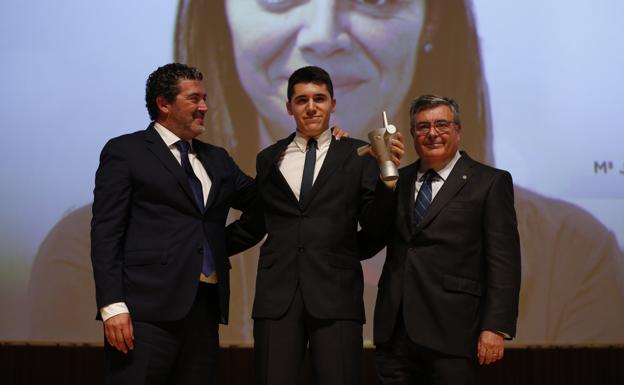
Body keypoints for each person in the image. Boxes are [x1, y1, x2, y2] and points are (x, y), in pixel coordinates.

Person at [28, 0, 624, 347]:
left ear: (431, 22)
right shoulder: (90, 259)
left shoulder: (575, 256)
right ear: (221, 19)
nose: (322, 35)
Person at [227, 66, 403, 385]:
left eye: (319, 99)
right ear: (289, 107)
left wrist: (387, 182)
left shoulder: (358, 154)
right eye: (302, 100)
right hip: (276, 297)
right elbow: (257, 223)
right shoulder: (268, 158)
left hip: (336, 295)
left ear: (333, 104)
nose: (311, 107)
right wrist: (206, 245)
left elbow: (375, 228)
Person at [90, 63, 257, 384]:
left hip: (204, 312)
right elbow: (106, 233)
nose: (204, 107)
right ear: (163, 104)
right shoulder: (126, 151)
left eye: (205, 98)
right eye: (194, 99)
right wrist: (112, 306)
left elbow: (263, 203)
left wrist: (318, 145)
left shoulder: (217, 158)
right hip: (144, 314)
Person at [371, 94, 521, 385]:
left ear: (458, 130)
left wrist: (496, 327)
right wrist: (384, 176)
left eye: (441, 124)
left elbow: (504, 260)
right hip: (396, 333)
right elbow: (373, 235)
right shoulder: (396, 180)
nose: (432, 133)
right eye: (423, 127)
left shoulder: (490, 182)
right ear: (412, 134)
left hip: (455, 331)